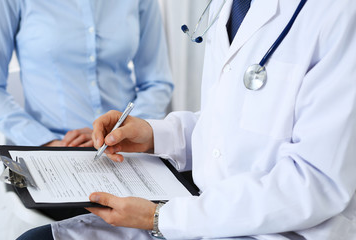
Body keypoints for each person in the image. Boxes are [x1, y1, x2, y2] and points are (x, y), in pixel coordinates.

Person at [18, 0, 356, 239]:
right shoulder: (229, 6)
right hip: (205, 214)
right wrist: (156, 135)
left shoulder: (338, 13)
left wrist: (162, 217)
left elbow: (315, 183)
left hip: (280, 229)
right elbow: (230, 123)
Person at [0, 0, 173, 148]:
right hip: (50, 146)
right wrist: (45, 142)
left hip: (121, 148)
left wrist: (125, 131)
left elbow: (157, 82)